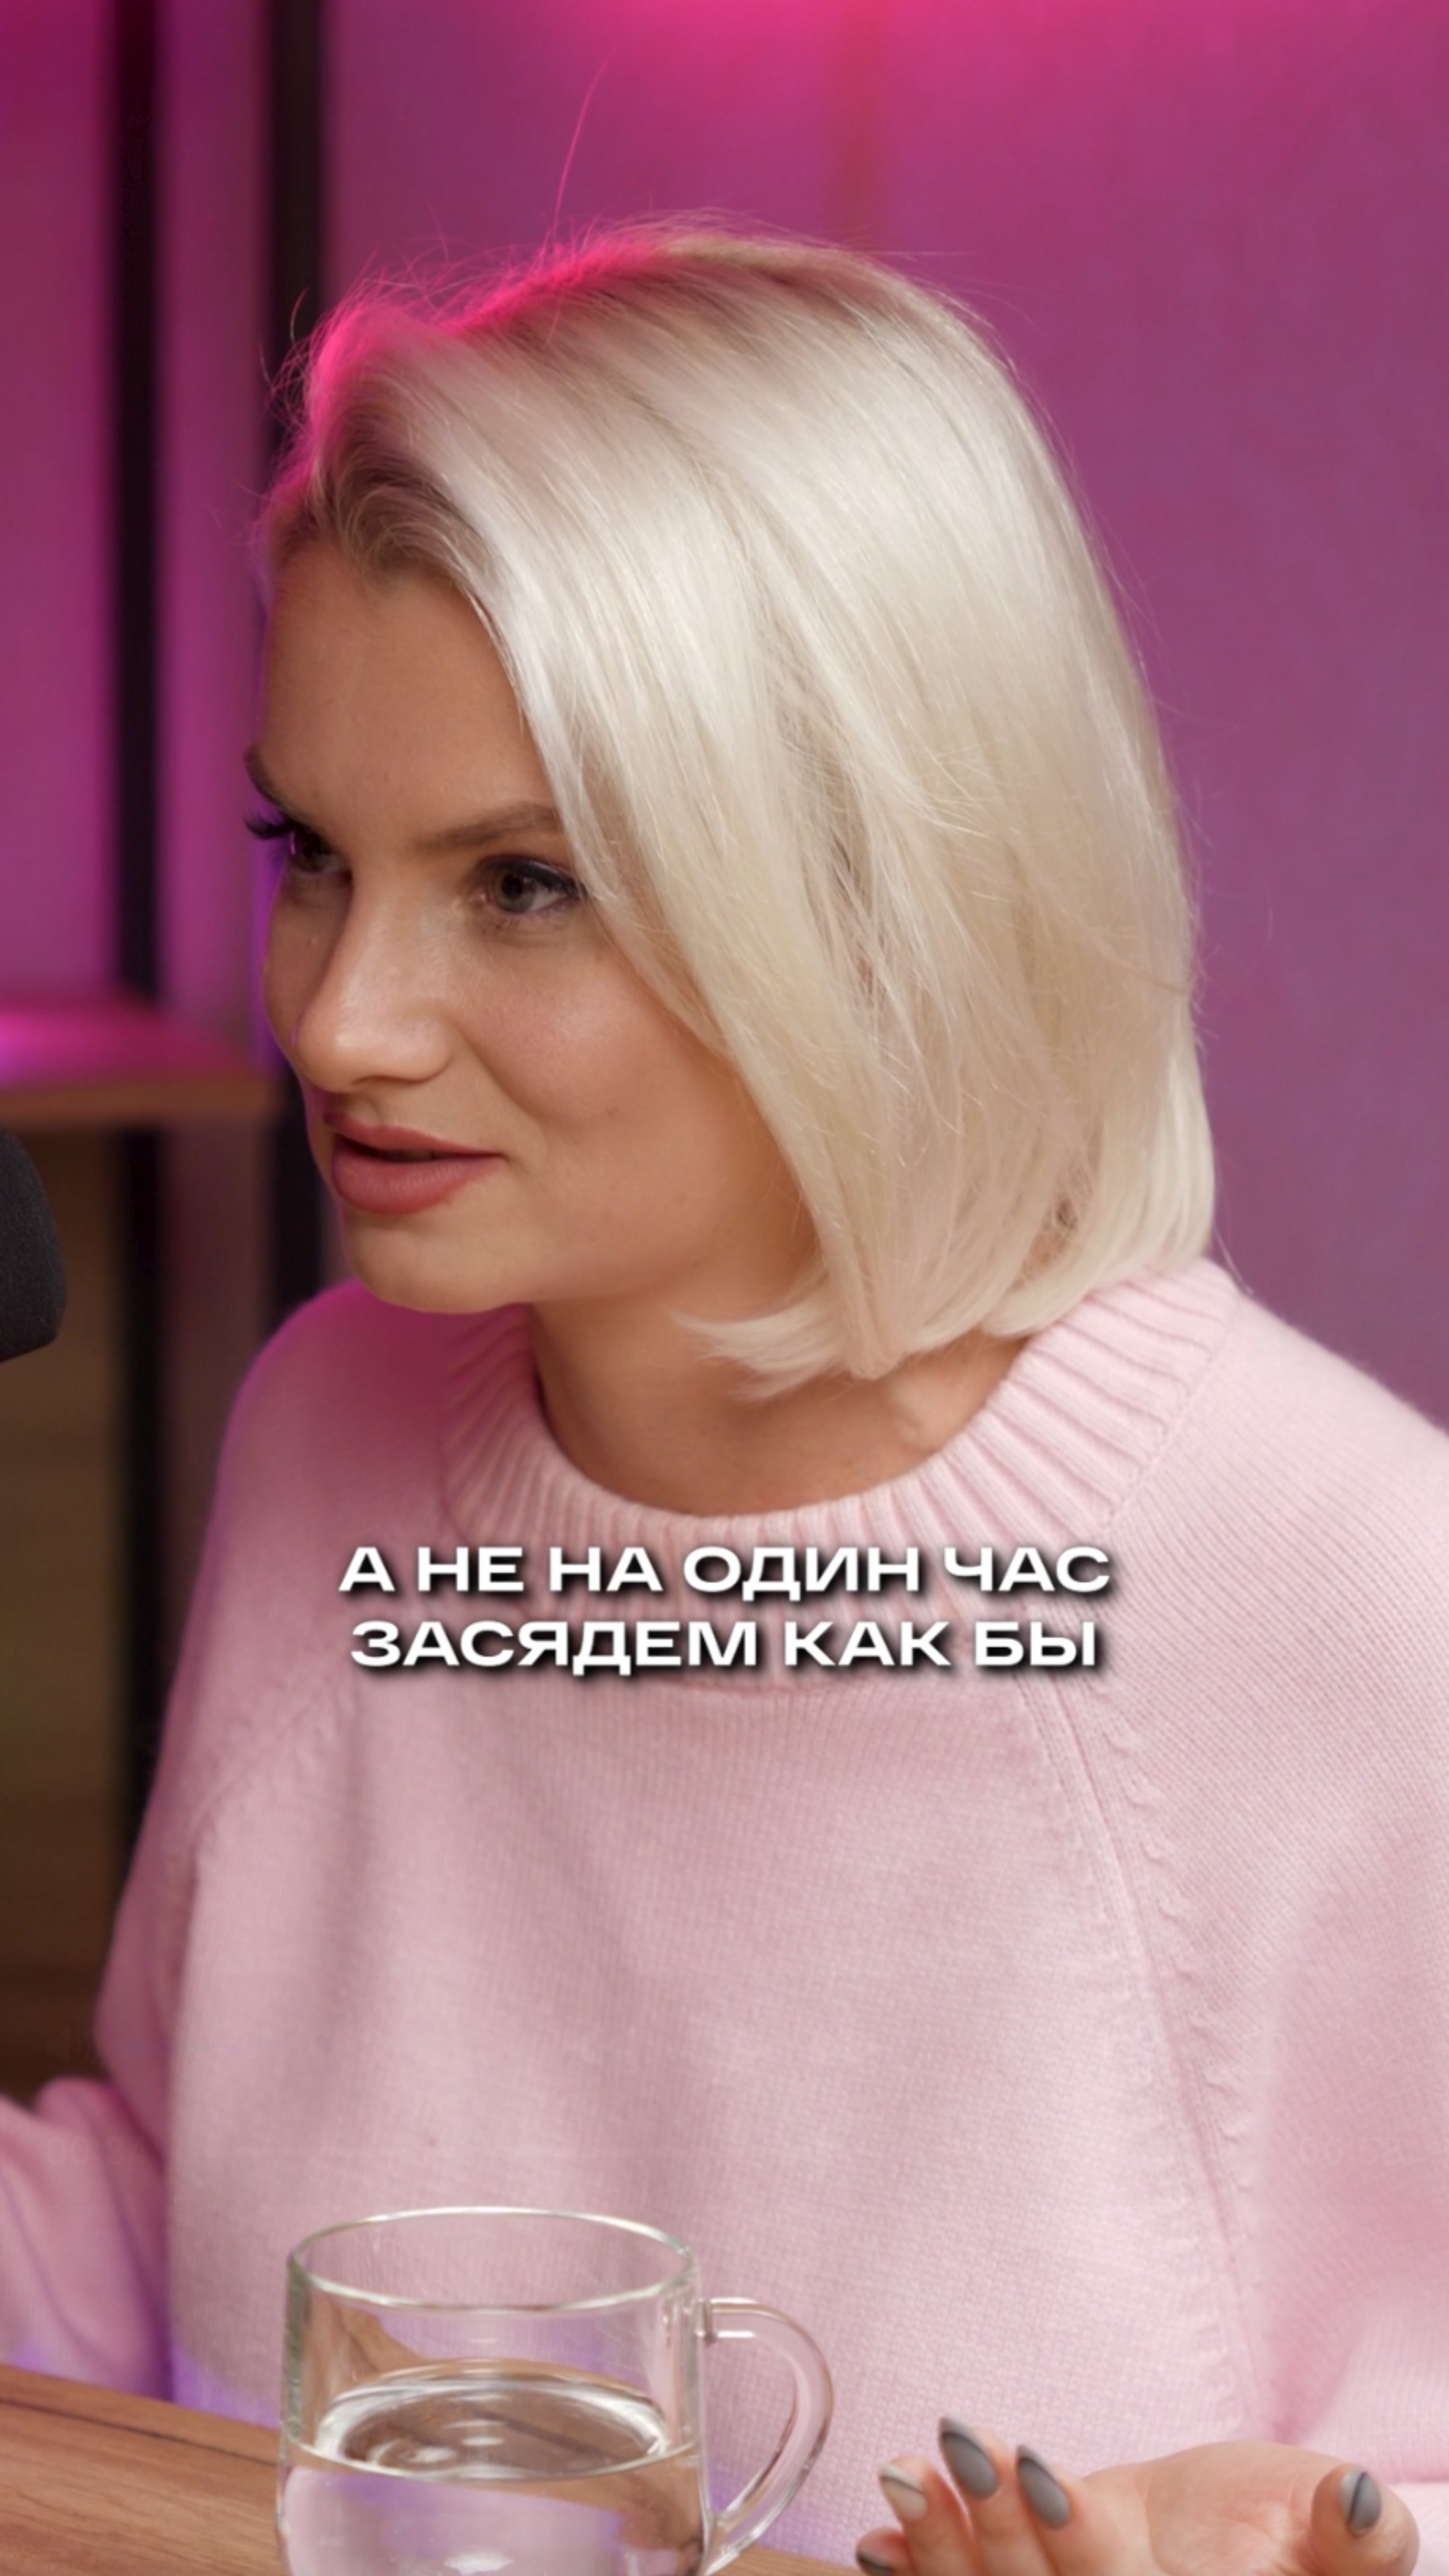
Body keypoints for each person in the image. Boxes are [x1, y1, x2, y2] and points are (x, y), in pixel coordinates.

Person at [2, 223, 1447, 2576]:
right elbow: (166, 2239)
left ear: (883, 903)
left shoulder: (1349, 1593)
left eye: (522, 885)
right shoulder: (328, 1432)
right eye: (312, 857)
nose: (342, 1019)